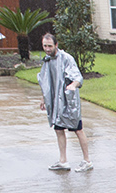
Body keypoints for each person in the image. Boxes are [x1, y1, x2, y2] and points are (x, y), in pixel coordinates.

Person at [37, 32, 92, 172]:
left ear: (56, 45)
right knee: (59, 129)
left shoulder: (67, 58)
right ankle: (63, 161)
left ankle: (87, 160)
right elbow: (45, 81)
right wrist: (44, 97)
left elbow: (78, 77)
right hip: (55, 102)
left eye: (50, 46)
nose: (47, 49)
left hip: (68, 101)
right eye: (45, 46)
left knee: (77, 129)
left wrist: (73, 85)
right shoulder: (47, 60)